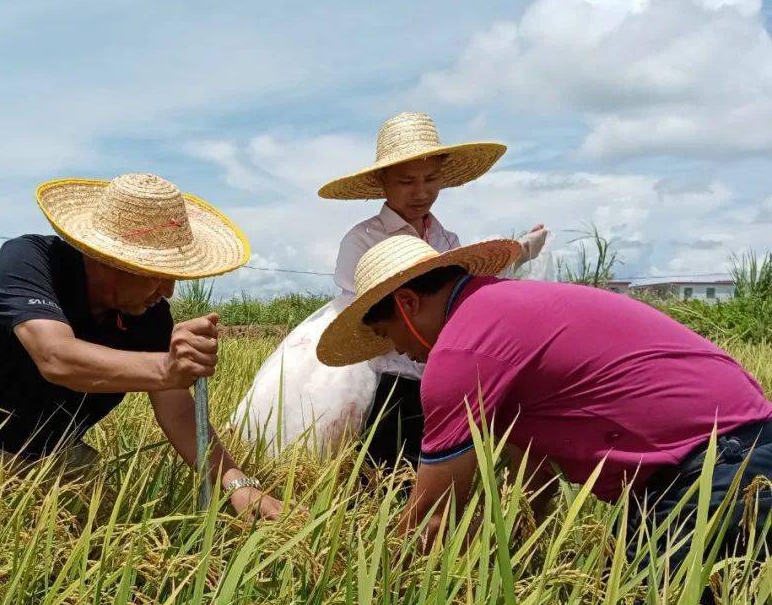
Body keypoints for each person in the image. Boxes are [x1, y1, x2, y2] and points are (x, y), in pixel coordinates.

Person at [316, 235, 772, 557]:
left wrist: (376, 590)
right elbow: (537, 479)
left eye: (386, 333)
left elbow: (431, 520)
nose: (397, 349)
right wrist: (513, 561)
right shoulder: (503, 311)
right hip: (743, 445)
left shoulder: (460, 350)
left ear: (407, 304)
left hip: (719, 473)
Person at [0, 172, 284, 519]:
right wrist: (167, 368)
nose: (168, 291)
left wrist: (237, 482)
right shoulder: (28, 263)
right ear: (109, 259)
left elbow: (177, 410)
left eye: (173, 275)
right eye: (156, 274)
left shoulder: (150, 317)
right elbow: (57, 358)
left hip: (56, 454)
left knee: (101, 545)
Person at [230, 112, 546, 464]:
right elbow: (366, 310)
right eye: (406, 181)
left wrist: (518, 252)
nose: (421, 191)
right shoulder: (362, 239)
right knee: (375, 457)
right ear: (383, 182)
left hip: (431, 364)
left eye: (430, 179)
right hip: (381, 365)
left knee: (428, 455)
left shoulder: (446, 239)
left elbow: (458, 295)